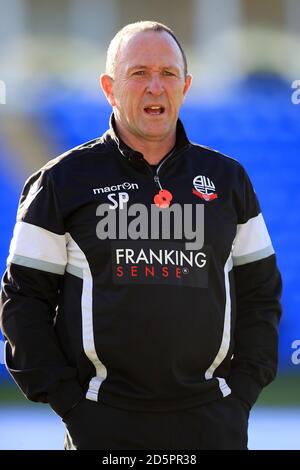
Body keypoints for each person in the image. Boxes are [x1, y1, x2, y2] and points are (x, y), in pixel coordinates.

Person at [0, 21, 282, 450]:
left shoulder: (229, 180)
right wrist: (70, 403)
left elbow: (261, 293)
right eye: (139, 73)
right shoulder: (60, 182)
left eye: (167, 74)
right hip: (102, 425)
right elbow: (23, 300)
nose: (155, 87)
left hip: (212, 424)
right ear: (109, 87)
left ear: (185, 87)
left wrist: (240, 395)